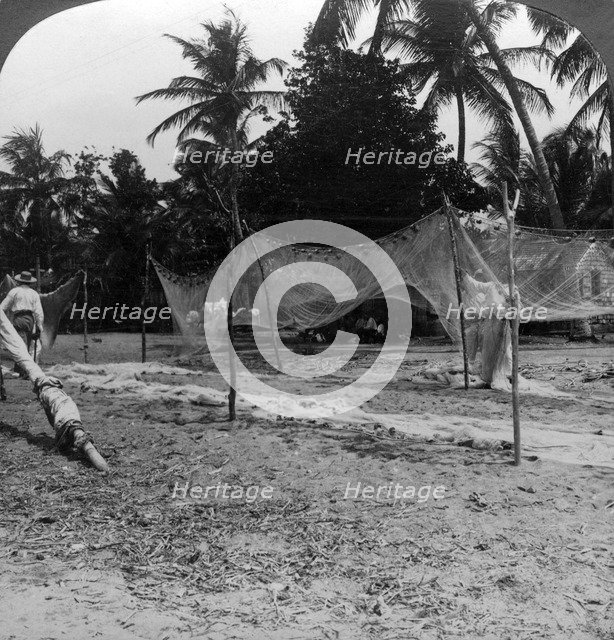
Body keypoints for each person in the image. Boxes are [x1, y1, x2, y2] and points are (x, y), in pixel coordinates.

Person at [0, 271, 44, 375]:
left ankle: (21, 369)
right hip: (30, 319)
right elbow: (38, 311)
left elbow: (2, 307)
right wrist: (39, 325)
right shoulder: (34, 293)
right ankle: (22, 368)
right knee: (27, 342)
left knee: (19, 342)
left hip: (18, 318)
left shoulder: (14, 291)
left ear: (19, 281)